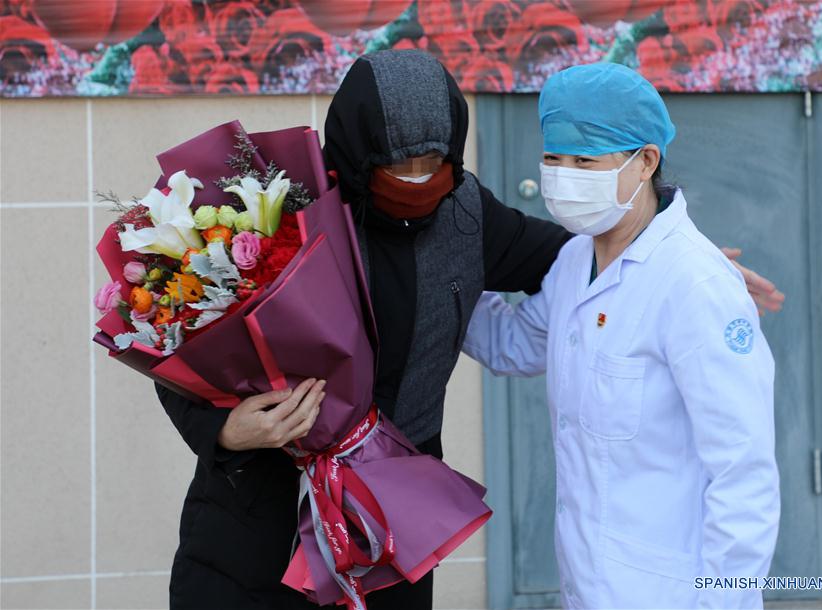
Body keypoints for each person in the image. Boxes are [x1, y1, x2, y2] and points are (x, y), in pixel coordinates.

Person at [155, 50, 783, 610]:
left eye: (435, 160)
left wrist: (689, 265)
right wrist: (227, 430)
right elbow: (175, 335)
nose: (420, 179)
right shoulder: (270, 213)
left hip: (390, 522)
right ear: (357, 150)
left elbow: (587, 258)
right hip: (258, 516)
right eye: (401, 163)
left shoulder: (463, 214)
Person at [462, 62, 781, 609]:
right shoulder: (574, 260)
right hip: (588, 584)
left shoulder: (693, 284)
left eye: (585, 160)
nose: (564, 174)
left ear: (645, 162)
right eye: (554, 158)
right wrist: (432, 280)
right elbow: (513, 344)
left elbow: (743, 474)